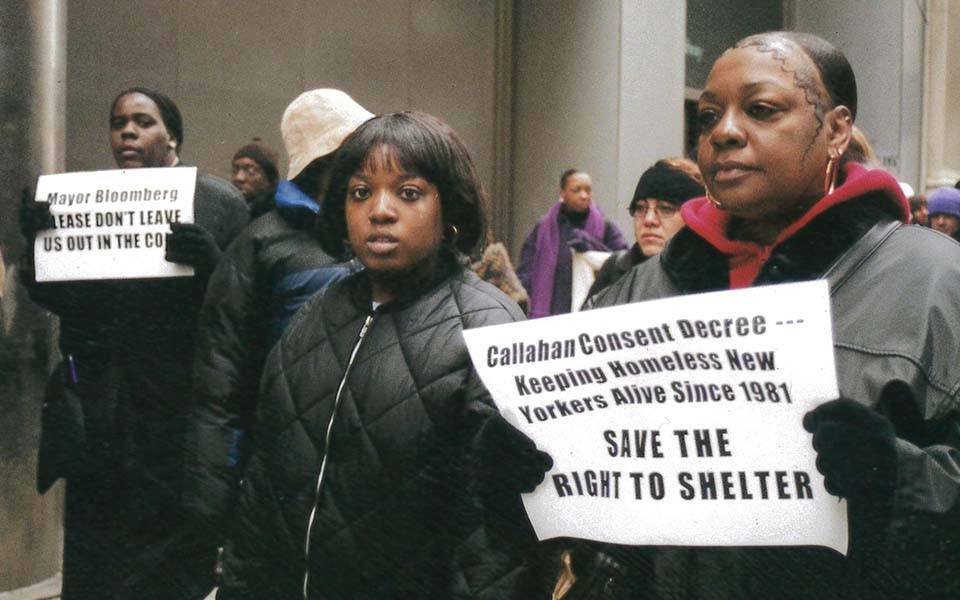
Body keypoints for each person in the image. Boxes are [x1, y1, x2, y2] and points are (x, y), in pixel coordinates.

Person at [586, 32, 960, 600]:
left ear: (835, 128)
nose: (724, 132)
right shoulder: (636, 289)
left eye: (761, 110)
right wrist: (525, 481)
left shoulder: (938, 280)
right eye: (709, 116)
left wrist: (898, 476)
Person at [214, 111, 552, 599]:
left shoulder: (489, 328)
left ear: (449, 208)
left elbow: (493, 550)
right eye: (360, 192)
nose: (380, 210)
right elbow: (264, 490)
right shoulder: (314, 317)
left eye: (408, 193)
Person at [18, 87, 248, 599]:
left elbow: (241, 310)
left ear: (173, 136)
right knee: (95, 558)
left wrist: (212, 264)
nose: (126, 131)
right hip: (100, 416)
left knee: (163, 564)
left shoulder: (217, 203)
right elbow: (62, 302)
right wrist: (38, 249)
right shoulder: (80, 205)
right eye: (118, 121)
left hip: (174, 415)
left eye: (142, 121)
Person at [182, 89, 371, 538]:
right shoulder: (261, 244)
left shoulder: (381, 232)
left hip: (369, 464)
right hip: (287, 469)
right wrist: (213, 494)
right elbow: (220, 374)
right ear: (324, 160)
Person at [517, 169, 627, 317]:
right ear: (562, 193)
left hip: (592, 313)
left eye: (588, 190)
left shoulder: (606, 227)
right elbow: (526, 271)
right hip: (549, 314)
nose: (584, 195)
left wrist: (592, 245)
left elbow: (624, 263)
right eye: (576, 190)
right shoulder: (543, 228)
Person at [587, 158, 703, 297]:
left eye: (665, 208)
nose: (649, 220)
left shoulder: (714, 274)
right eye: (640, 208)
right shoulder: (615, 270)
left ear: (693, 218)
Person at [230, 138, 279, 216]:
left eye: (250, 171)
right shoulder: (230, 213)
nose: (238, 177)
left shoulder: (282, 217)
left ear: (269, 178)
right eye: (235, 170)